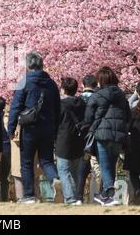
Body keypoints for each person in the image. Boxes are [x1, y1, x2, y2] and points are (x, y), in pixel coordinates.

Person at [7, 52, 62, 204]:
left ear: (28, 66)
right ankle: (55, 180)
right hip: (48, 128)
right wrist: (55, 130)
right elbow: (58, 109)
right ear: (41, 65)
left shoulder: (23, 82)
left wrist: (10, 130)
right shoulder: (51, 84)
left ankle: (29, 196)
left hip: (29, 128)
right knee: (47, 161)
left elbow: (15, 107)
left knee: (26, 162)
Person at [84, 66, 131, 206]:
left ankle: (110, 195)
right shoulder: (122, 95)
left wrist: (88, 127)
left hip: (102, 135)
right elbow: (128, 116)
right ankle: (104, 195)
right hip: (118, 136)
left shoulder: (97, 95)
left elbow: (88, 117)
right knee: (110, 166)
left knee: (104, 166)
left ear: (101, 80)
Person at [56, 77, 86, 205]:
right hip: (79, 140)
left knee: (64, 170)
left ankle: (70, 198)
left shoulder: (60, 105)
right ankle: (77, 197)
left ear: (63, 89)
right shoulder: (82, 104)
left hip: (63, 139)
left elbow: (55, 123)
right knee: (75, 171)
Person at [76, 74, 101, 204]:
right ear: (96, 85)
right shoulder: (99, 99)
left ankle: (79, 196)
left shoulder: (78, 100)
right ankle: (97, 197)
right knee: (99, 170)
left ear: (82, 85)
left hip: (82, 139)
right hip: (97, 136)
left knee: (82, 169)